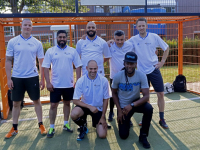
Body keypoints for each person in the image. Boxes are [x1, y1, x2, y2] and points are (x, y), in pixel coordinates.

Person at [108, 17, 169, 129]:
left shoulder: (154, 37)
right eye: (139, 26)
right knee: (145, 96)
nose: (141, 27)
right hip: (141, 72)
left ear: (146, 25)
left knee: (160, 93)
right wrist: (111, 41)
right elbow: (121, 43)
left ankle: (162, 118)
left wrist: (162, 62)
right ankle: (145, 118)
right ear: (136, 27)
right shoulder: (133, 39)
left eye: (143, 25)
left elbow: (166, 48)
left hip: (154, 69)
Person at [5, 19, 47, 138]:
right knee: (16, 103)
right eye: (25, 25)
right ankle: (15, 127)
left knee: (36, 101)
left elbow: (41, 61)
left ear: (32, 27)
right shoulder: (13, 41)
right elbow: (8, 60)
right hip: (17, 77)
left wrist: (42, 79)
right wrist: (9, 78)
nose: (27, 27)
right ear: (21, 26)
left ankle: (41, 125)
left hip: (32, 76)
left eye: (29, 25)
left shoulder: (37, 43)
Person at [42, 30, 82, 138]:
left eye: (64, 37)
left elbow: (78, 66)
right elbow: (45, 67)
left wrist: (77, 81)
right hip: (55, 85)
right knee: (53, 105)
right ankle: (51, 127)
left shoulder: (72, 51)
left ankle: (66, 124)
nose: (62, 39)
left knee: (67, 103)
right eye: (60, 37)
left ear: (66, 38)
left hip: (68, 85)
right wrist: (48, 82)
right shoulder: (50, 51)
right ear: (57, 38)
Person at [112, 52, 153, 149]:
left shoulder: (141, 75)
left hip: (135, 103)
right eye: (127, 63)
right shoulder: (118, 76)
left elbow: (146, 96)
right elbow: (113, 93)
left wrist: (132, 105)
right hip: (123, 106)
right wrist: (119, 110)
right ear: (124, 63)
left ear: (136, 64)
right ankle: (126, 120)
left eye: (132, 63)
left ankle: (143, 136)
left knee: (149, 108)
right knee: (123, 136)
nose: (129, 66)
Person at [76, 21, 112, 129]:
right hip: (85, 75)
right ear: (86, 29)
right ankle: (83, 121)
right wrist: (78, 78)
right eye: (89, 27)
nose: (91, 29)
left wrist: (98, 64)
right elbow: (77, 59)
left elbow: (107, 56)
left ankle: (103, 118)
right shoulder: (80, 42)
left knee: (102, 98)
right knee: (84, 97)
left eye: (93, 27)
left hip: (99, 74)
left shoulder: (102, 42)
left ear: (96, 29)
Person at [71, 60, 111, 141]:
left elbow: (106, 99)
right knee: (74, 114)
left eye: (95, 69)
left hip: (98, 109)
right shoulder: (81, 81)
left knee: (102, 135)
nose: (93, 71)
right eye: (91, 69)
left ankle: (98, 123)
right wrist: (89, 106)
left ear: (97, 68)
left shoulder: (103, 80)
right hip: (85, 107)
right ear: (86, 68)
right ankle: (83, 126)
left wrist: (103, 116)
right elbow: (75, 100)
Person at [106, 30, 134, 125]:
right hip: (114, 76)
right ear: (114, 39)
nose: (119, 42)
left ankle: (127, 117)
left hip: (127, 76)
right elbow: (100, 48)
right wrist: (107, 42)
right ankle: (111, 112)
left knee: (126, 96)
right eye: (117, 39)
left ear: (125, 38)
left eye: (122, 39)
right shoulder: (110, 46)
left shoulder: (130, 45)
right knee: (112, 95)